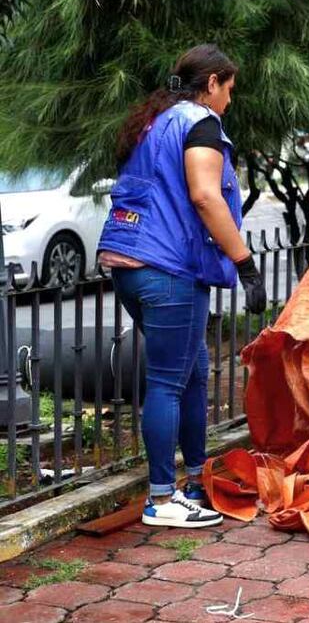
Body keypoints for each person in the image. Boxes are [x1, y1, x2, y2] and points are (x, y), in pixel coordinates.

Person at [97, 44, 267, 528]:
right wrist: (246, 266)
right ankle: (162, 499)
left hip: (128, 260)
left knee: (193, 372)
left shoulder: (157, 121)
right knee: (169, 382)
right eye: (228, 90)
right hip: (167, 268)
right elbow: (205, 195)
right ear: (211, 82)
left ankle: (196, 481)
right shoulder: (200, 122)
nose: (230, 101)